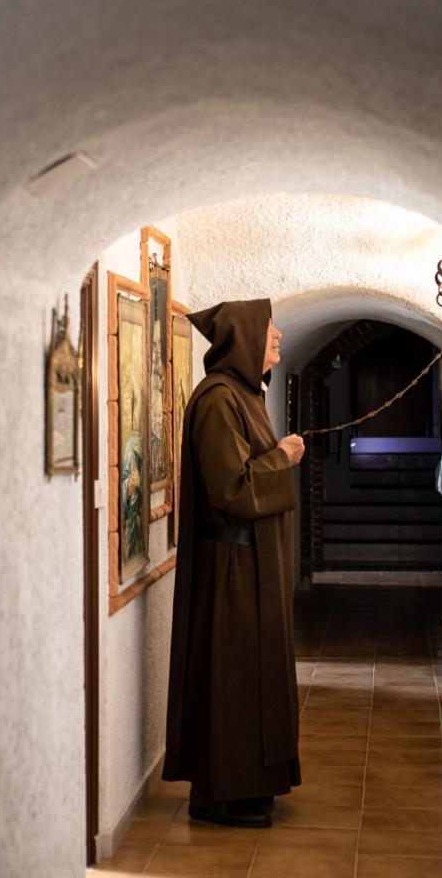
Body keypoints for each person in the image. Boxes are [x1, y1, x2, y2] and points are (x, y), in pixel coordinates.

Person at [162, 298, 306, 828]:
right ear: (244, 338)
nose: (278, 338)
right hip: (232, 572)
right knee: (234, 680)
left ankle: (251, 784)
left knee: (253, 677)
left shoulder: (244, 394)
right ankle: (221, 793)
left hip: (251, 566)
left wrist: (276, 458)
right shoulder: (219, 399)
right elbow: (230, 488)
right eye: (269, 333)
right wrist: (282, 459)